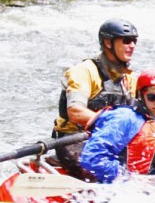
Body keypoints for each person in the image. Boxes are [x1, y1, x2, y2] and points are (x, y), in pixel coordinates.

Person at [79, 69, 155, 183]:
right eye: (152, 97)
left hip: (141, 188)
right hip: (117, 188)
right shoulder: (124, 119)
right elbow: (91, 157)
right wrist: (128, 178)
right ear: (141, 95)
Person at [52, 18, 140, 178]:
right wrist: (111, 123)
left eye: (134, 41)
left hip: (111, 140)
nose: (132, 46)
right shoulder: (84, 71)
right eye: (127, 41)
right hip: (73, 140)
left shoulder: (130, 78)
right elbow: (75, 112)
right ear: (108, 43)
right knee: (98, 169)